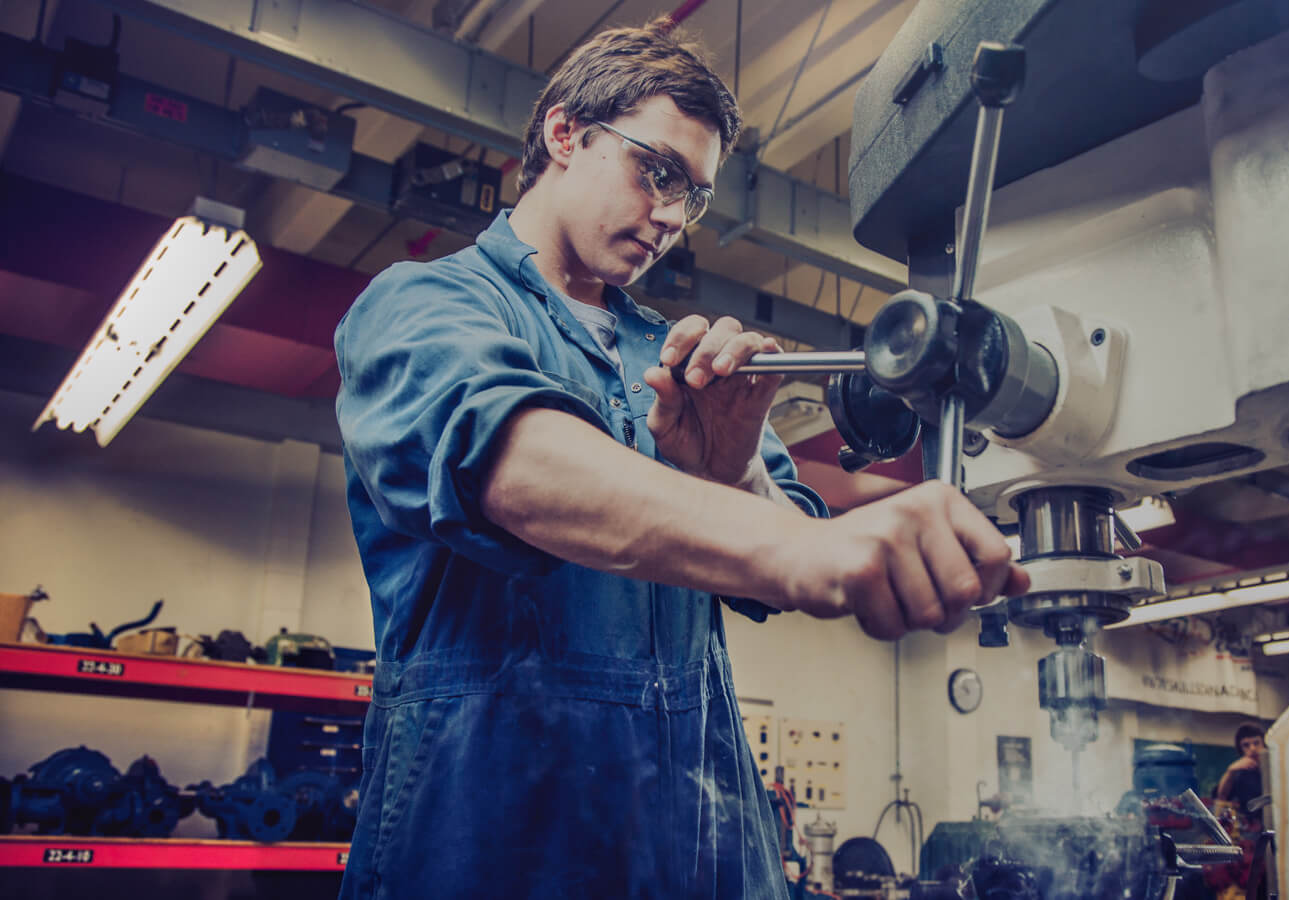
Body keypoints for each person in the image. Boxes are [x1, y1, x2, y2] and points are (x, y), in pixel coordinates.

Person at [332, 18, 1028, 900]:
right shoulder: (425, 304)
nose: (670, 218)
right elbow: (507, 461)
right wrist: (810, 546)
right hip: (487, 843)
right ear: (563, 133)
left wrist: (732, 475)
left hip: (700, 848)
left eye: (692, 195)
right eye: (655, 171)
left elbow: (783, 563)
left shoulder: (682, 359)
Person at [1215, 722, 1266, 816]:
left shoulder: (1276, 765)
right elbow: (1221, 797)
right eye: (1246, 745)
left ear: (1264, 743)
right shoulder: (1241, 773)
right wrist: (1231, 771)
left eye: (1256, 743)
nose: (1253, 748)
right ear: (1240, 749)